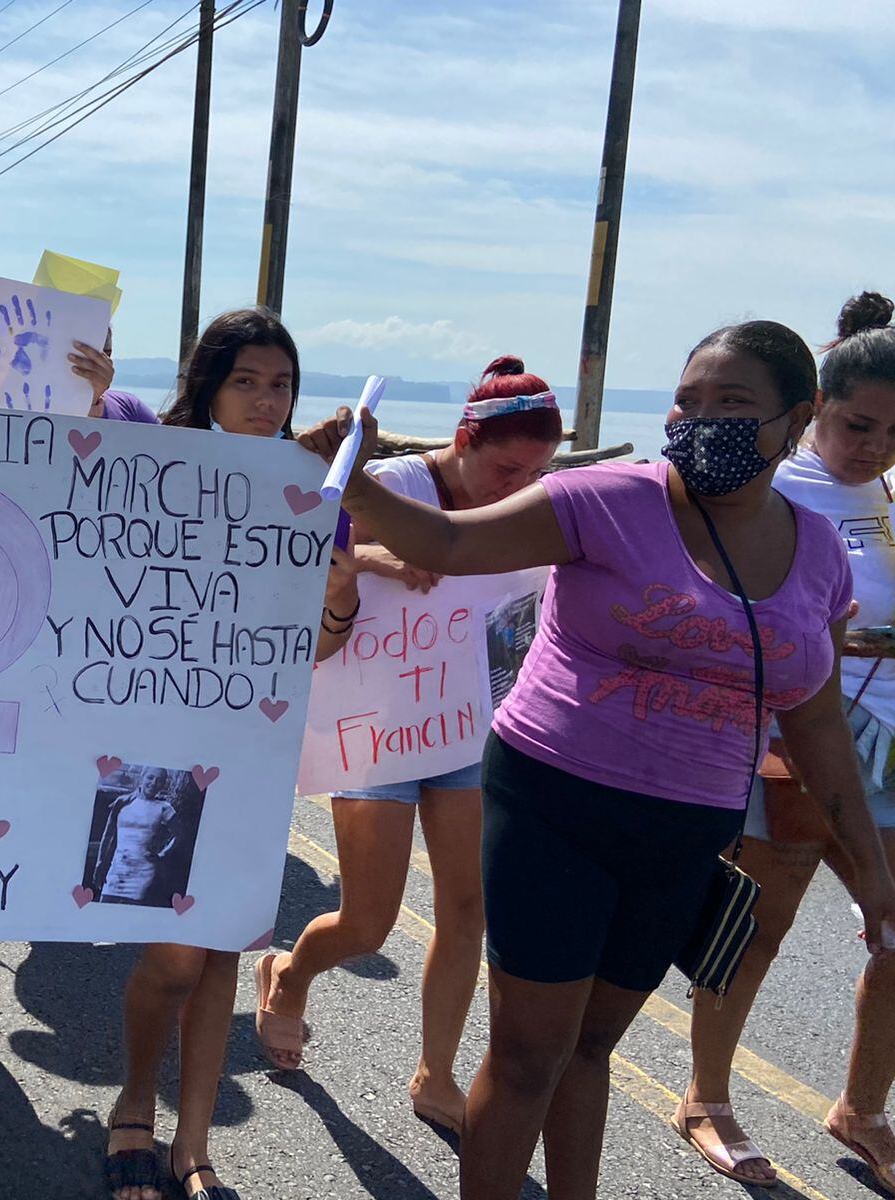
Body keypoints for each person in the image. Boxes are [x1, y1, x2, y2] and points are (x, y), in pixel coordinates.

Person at [338, 319, 895, 1200]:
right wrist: (353, 481)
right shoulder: (603, 498)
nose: (699, 418)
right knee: (527, 1058)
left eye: (732, 403)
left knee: (590, 1051)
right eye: (689, 400)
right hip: (553, 804)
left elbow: (818, 719)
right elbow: (448, 544)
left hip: (686, 832)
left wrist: (870, 869)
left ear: (798, 416)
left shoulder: (818, 551)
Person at [255, 357, 563, 1134]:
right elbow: (287, 564)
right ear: (462, 439)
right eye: (504, 466)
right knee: (367, 924)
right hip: (372, 730)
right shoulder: (385, 482)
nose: (515, 486)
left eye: (536, 471)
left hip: (465, 731)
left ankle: (436, 1072)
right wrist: (370, 555)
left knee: (469, 910)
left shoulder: (527, 506)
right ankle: (291, 972)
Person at [97, 306, 349, 1200]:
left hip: (249, 748)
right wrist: (80, 386)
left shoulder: (313, 487)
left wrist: (343, 596)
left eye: (280, 384)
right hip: (150, 752)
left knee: (221, 949)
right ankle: (135, 1096)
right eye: (245, 381)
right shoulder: (156, 457)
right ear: (208, 384)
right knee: (172, 958)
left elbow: (319, 645)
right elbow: (67, 465)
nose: (265, 400)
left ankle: (192, 1143)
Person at [678, 293, 895, 1188]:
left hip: (879, 739)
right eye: (857, 424)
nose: (874, 444)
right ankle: (707, 1098)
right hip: (792, 735)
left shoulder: (881, 491)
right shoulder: (781, 487)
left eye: (893, 430)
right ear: (814, 413)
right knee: (756, 930)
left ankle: (861, 1109)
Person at [92, 767, 182, 905]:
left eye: (159, 781)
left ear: (163, 785)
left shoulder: (164, 807)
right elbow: (107, 835)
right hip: (117, 869)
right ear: (142, 777)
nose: (153, 783)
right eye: (150, 777)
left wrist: (162, 854)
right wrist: (100, 863)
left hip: (143, 870)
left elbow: (180, 834)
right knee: (105, 904)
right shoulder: (122, 802)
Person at [71, 328, 160, 423]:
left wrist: (91, 400)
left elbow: (168, 436)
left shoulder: (130, 408)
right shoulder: (129, 408)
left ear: (107, 356)